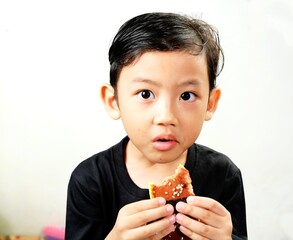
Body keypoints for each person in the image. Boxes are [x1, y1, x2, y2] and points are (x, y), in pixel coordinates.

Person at [65, 12, 247, 240]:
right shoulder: (91, 180)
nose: (166, 116)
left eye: (187, 95)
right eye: (145, 93)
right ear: (114, 101)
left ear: (210, 103)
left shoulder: (223, 176)